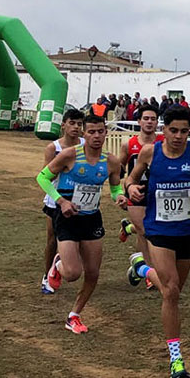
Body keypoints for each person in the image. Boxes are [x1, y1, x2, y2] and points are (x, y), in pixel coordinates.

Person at [126, 106, 190, 378]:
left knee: (175, 288)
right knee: (171, 292)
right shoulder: (150, 153)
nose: (179, 136)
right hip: (158, 230)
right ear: (164, 130)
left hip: (187, 231)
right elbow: (130, 179)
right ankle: (176, 358)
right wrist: (132, 188)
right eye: (173, 130)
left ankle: (142, 270)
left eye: (184, 131)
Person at [37, 114, 127, 334]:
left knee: (93, 273)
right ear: (84, 134)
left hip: (92, 218)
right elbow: (42, 177)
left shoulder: (111, 162)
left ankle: (74, 315)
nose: (97, 136)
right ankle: (58, 267)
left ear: (106, 133)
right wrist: (61, 201)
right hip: (67, 218)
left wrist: (119, 197)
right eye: (92, 132)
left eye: (101, 131)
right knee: (73, 273)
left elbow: (115, 188)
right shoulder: (69, 155)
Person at [39, 109, 85, 294]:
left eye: (79, 124)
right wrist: (62, 165)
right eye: (72, 123)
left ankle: (64, 265)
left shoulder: (85, 144)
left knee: (77, 238)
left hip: (80, 199)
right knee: (52, 239)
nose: (76, 127)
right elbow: (45, 175)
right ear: (63, 125)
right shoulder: (54, 148)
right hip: (55, 199)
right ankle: (47, 275)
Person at [118, 104, 165, 287]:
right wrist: (122, 192)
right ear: (139, 121)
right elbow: (121, 170)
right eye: (146, 118)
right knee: (145, 231)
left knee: (155, 231)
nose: (149, 122)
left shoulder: (163, 142)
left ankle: (141, 263)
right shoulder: (128, 144)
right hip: (136, 194)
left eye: (153, 119)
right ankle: (150, 272)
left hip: (159, 194)